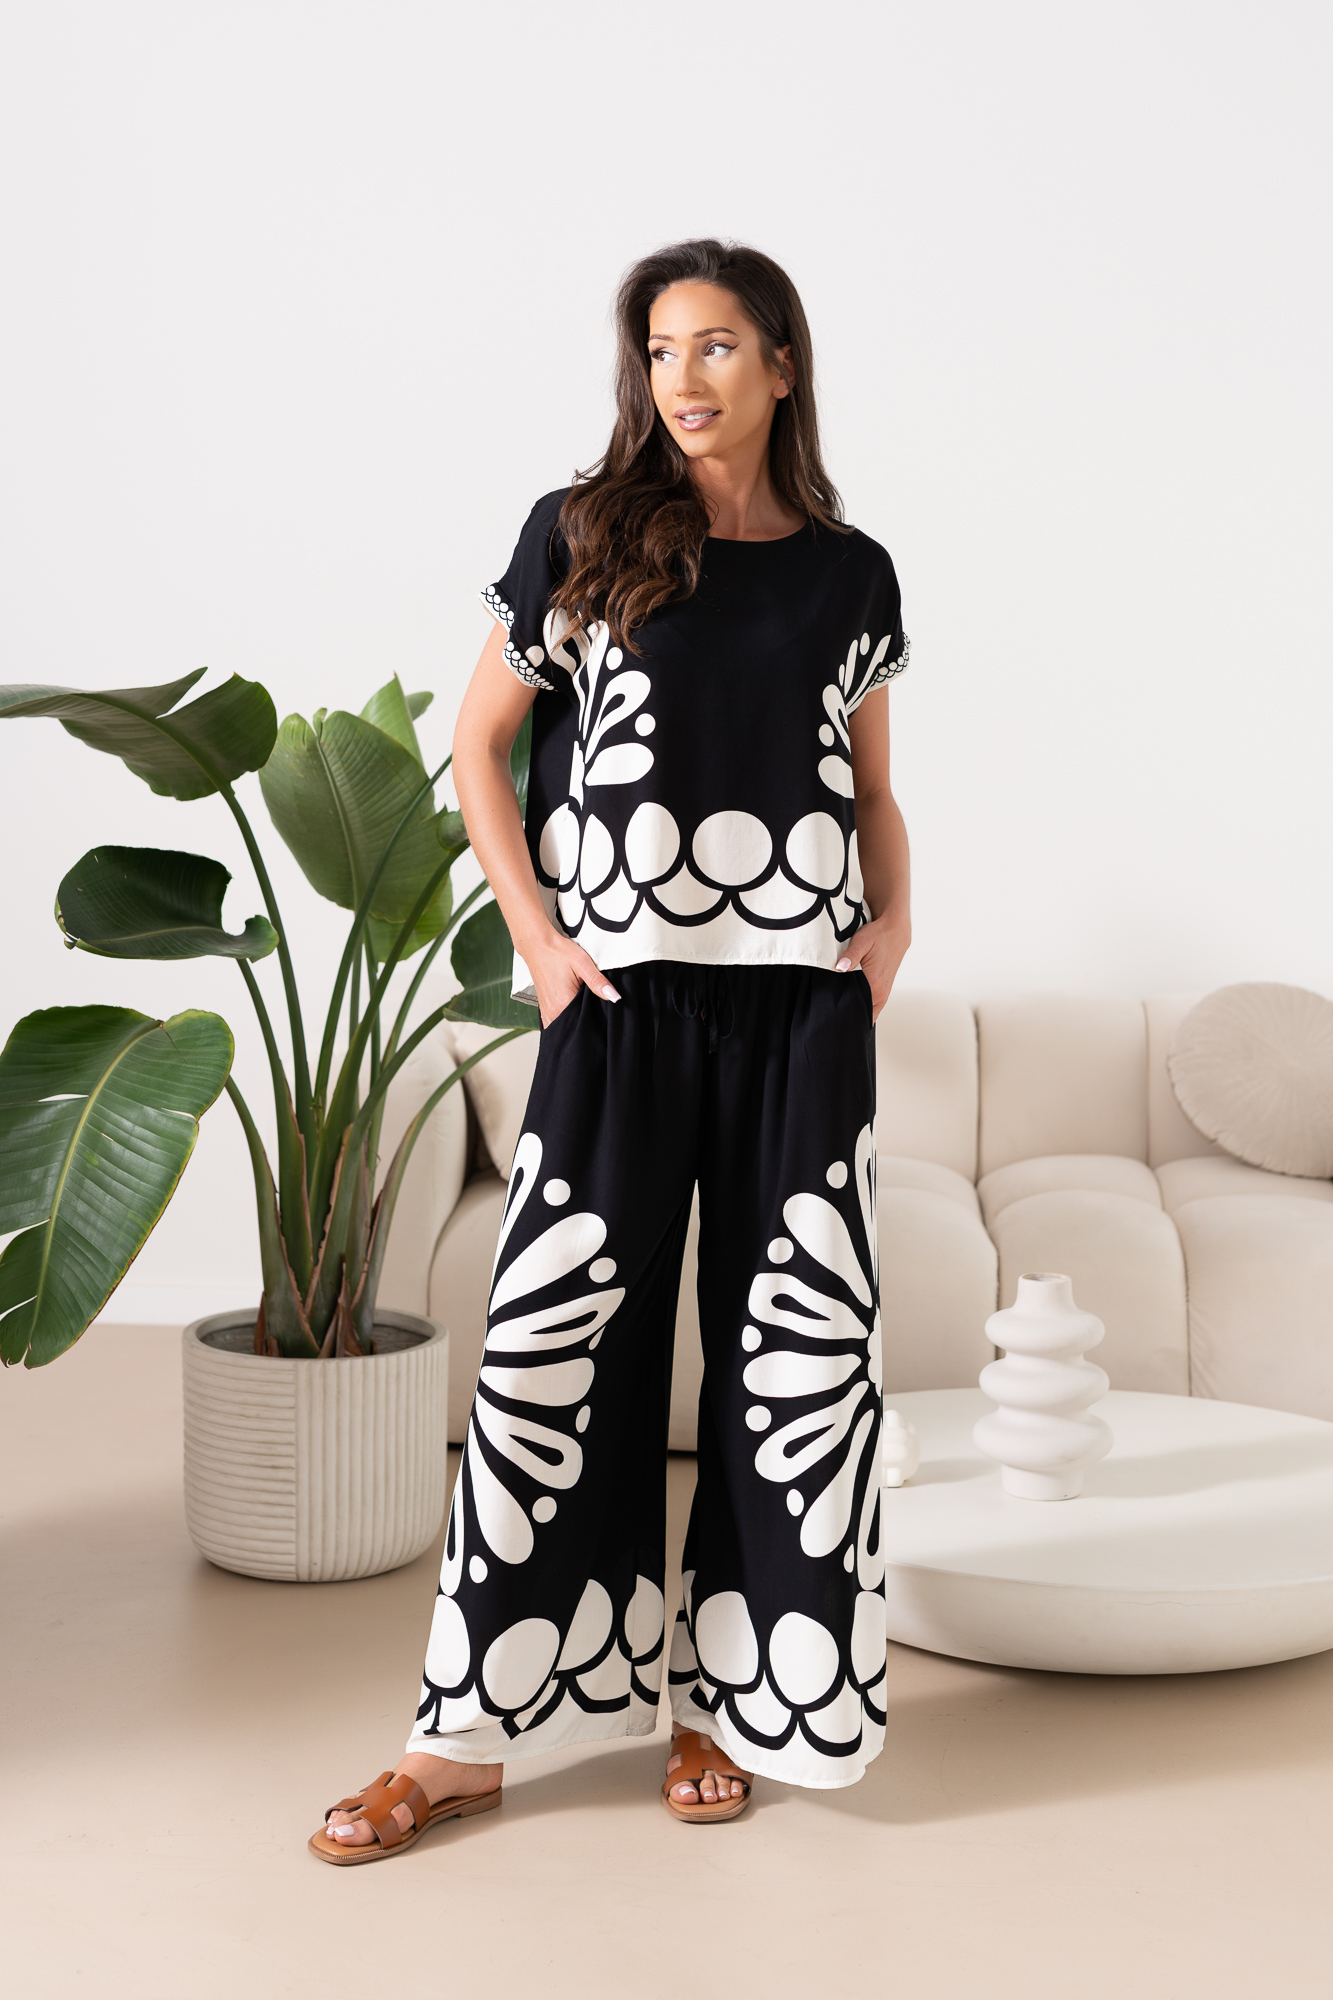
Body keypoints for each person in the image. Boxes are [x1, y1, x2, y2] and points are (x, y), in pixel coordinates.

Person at [309, 237, 911, 1862]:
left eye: (714, 345)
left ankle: (729, 1705)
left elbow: (868, 782)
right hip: (620, 1000)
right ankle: (462, 1741)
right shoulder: (579, 535)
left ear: (780, 364)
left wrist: (892, 923)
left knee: (791, 1367)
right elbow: (478, 745)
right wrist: (538, 939)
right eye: (659, 349)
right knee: (547, 1354)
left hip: (798, 1010)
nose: (683, 377)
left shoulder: (850, 575)